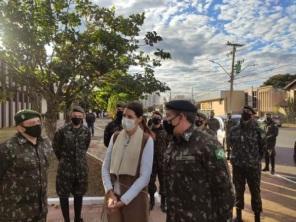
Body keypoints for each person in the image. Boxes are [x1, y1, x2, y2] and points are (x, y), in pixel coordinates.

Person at [163, 100, 234, 222]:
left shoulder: (210, 144)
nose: (166, 120)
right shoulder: (174, 142)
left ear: (181, 117)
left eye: (169, 116)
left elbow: (225, 188)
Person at [101, 102, 154, 222]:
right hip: (113, 197)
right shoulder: (115, 137)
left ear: (139, 119)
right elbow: (105, 167)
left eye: (130, 117)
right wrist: (109, 192)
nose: (125, 119)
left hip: (135, 199)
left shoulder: (146, 141)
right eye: (124, 115)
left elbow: (145, 177)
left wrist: (124, 200)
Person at [0, 109, 52, 222]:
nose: (37, 125)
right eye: (32, 123)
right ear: (20, 128)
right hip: (15, 213)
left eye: (38, 122)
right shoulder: (7, 148)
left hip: (40, 211)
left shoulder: (45, 144)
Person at [53, 106, 91, 222]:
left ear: (83, 117)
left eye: (79, 116)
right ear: (71, 116)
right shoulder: (62, 131)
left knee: (79, 195)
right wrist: (64, 160)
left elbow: (85, 146)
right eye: (75, 116)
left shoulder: (86, 131)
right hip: (65, 169)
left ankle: (77, 218)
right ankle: (67, 220)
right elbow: (56, 147)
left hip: (81, 169)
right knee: (63, 195)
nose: (77, 118)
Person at [229, 106, 264, 222]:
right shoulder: (234, 129)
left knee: (255, 192)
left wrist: (254, 160)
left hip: (253, 167)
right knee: (238, 191)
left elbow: (262, 148)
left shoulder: (258, 129)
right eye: (244, 111)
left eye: (249, 112)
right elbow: (230, 146)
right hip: (238, 167)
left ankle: (257, 217)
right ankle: (238, 217)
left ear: (252, 115)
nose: (246, 113)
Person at [148, 111, 168, 212]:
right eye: (154, 117)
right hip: (151, 162)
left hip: (163, 161)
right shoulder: (148, 131)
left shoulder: (165, 132)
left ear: (160, 119)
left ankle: (163, 203)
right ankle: (151, 201)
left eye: (158, 117)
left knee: (163, 182)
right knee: (150, 182)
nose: (156, 118)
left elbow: (169, 146)